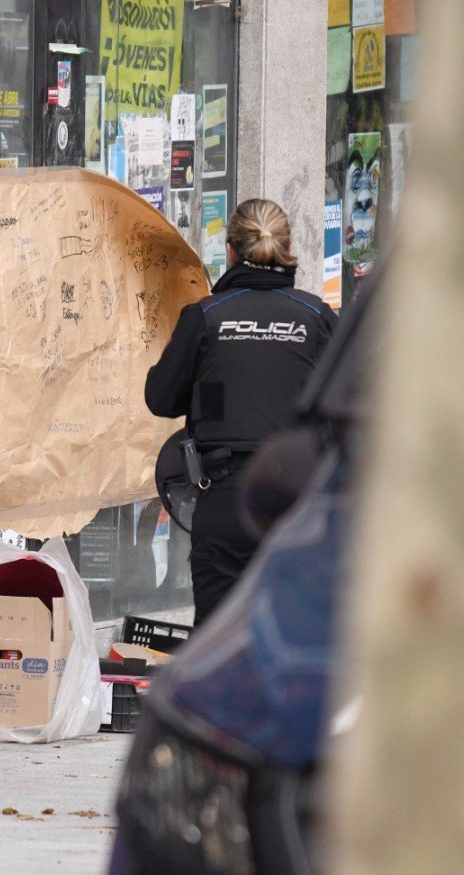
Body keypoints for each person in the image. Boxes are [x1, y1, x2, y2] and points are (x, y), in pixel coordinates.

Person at [145, 198, 339, 620]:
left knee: (217, 639)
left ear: (230, 251)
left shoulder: (206, 317)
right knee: (294, 632)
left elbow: (160, 399)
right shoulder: (316, 317)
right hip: (297, 502)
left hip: (225, 500)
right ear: (287, 248)